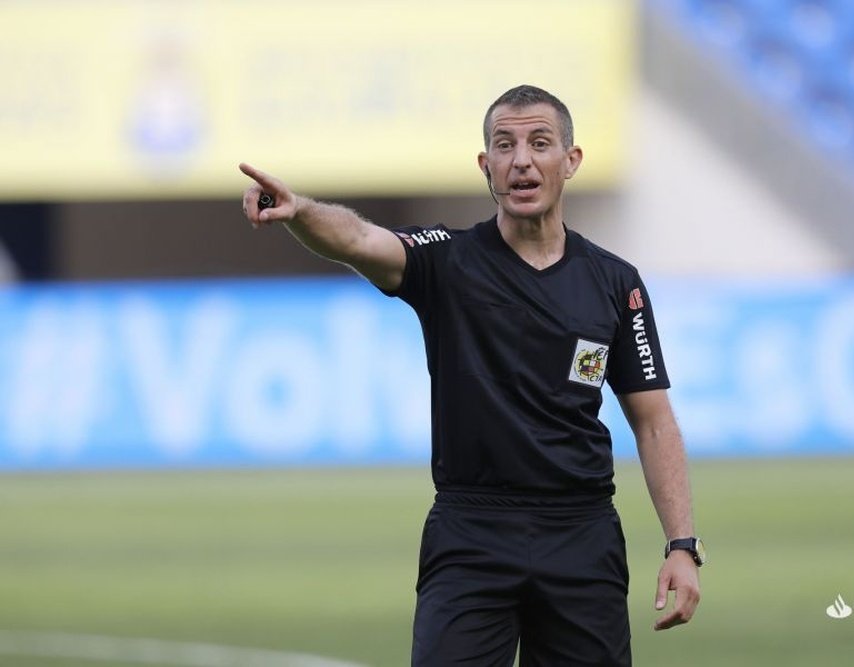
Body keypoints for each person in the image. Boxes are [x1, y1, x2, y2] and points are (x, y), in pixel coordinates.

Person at [240, 84, 702, 666]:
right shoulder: (447, 260)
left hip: (581, 533)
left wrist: (682, 545)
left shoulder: (615, 283)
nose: (522, 160)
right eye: (504, 146)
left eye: (540, 143)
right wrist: (301, 211)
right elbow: (360, 239)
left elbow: (654, 421)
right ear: (486, 167)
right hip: (472, 531)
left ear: (571, 160)